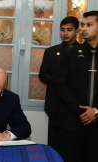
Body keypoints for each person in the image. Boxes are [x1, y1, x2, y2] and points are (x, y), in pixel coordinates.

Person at [56, 11, 98, 162]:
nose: (83, 29)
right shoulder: (70, 54)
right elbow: (62, 85)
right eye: (82, 25)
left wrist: (96, 111)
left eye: (89, 25)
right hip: (72, 123)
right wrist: (83, 112)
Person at [38, 16, 79, 148]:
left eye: (69, 29)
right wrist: (60, 80)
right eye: (62, 30)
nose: (65, 33)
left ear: (77, 31)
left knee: (74, 146)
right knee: (54, 145)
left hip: (76, 106)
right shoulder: (51, 51)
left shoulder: (84, 52)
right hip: (55, 105)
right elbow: (43, 75)